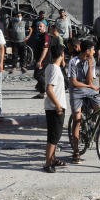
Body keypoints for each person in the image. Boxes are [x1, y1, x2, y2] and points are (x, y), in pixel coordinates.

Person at [67, 39, 100, 163]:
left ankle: (99, 132)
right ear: (87, 51)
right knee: (77, 119)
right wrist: (90, 87)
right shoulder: (73, 61)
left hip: (88, 89)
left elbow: (89, 81)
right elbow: (74, 82)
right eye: (93, 50)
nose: (95, 51)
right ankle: (76, 152)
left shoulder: (92, 60)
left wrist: (91, 65)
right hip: (76, 92)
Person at [42, 44, 66, 173]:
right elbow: (49, 89)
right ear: (62, 55)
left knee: (55, 136)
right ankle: (47, 163)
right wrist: (57, 105)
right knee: (53, 136)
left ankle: (52, 159)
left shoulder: (51, 67)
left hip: (54, 106)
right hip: (54, 107)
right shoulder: (54, 69)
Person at [29, 19, 49, 98]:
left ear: (45, 27)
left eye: (41, 26)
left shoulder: (45, 36)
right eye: (38, 26)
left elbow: (45, 49)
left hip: (43, 60)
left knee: (37, 75)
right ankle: (42, 92)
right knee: (41, 75)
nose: (39, 28)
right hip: (39, 59)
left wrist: (40, 60)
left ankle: (45, 91)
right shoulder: (39, 36)